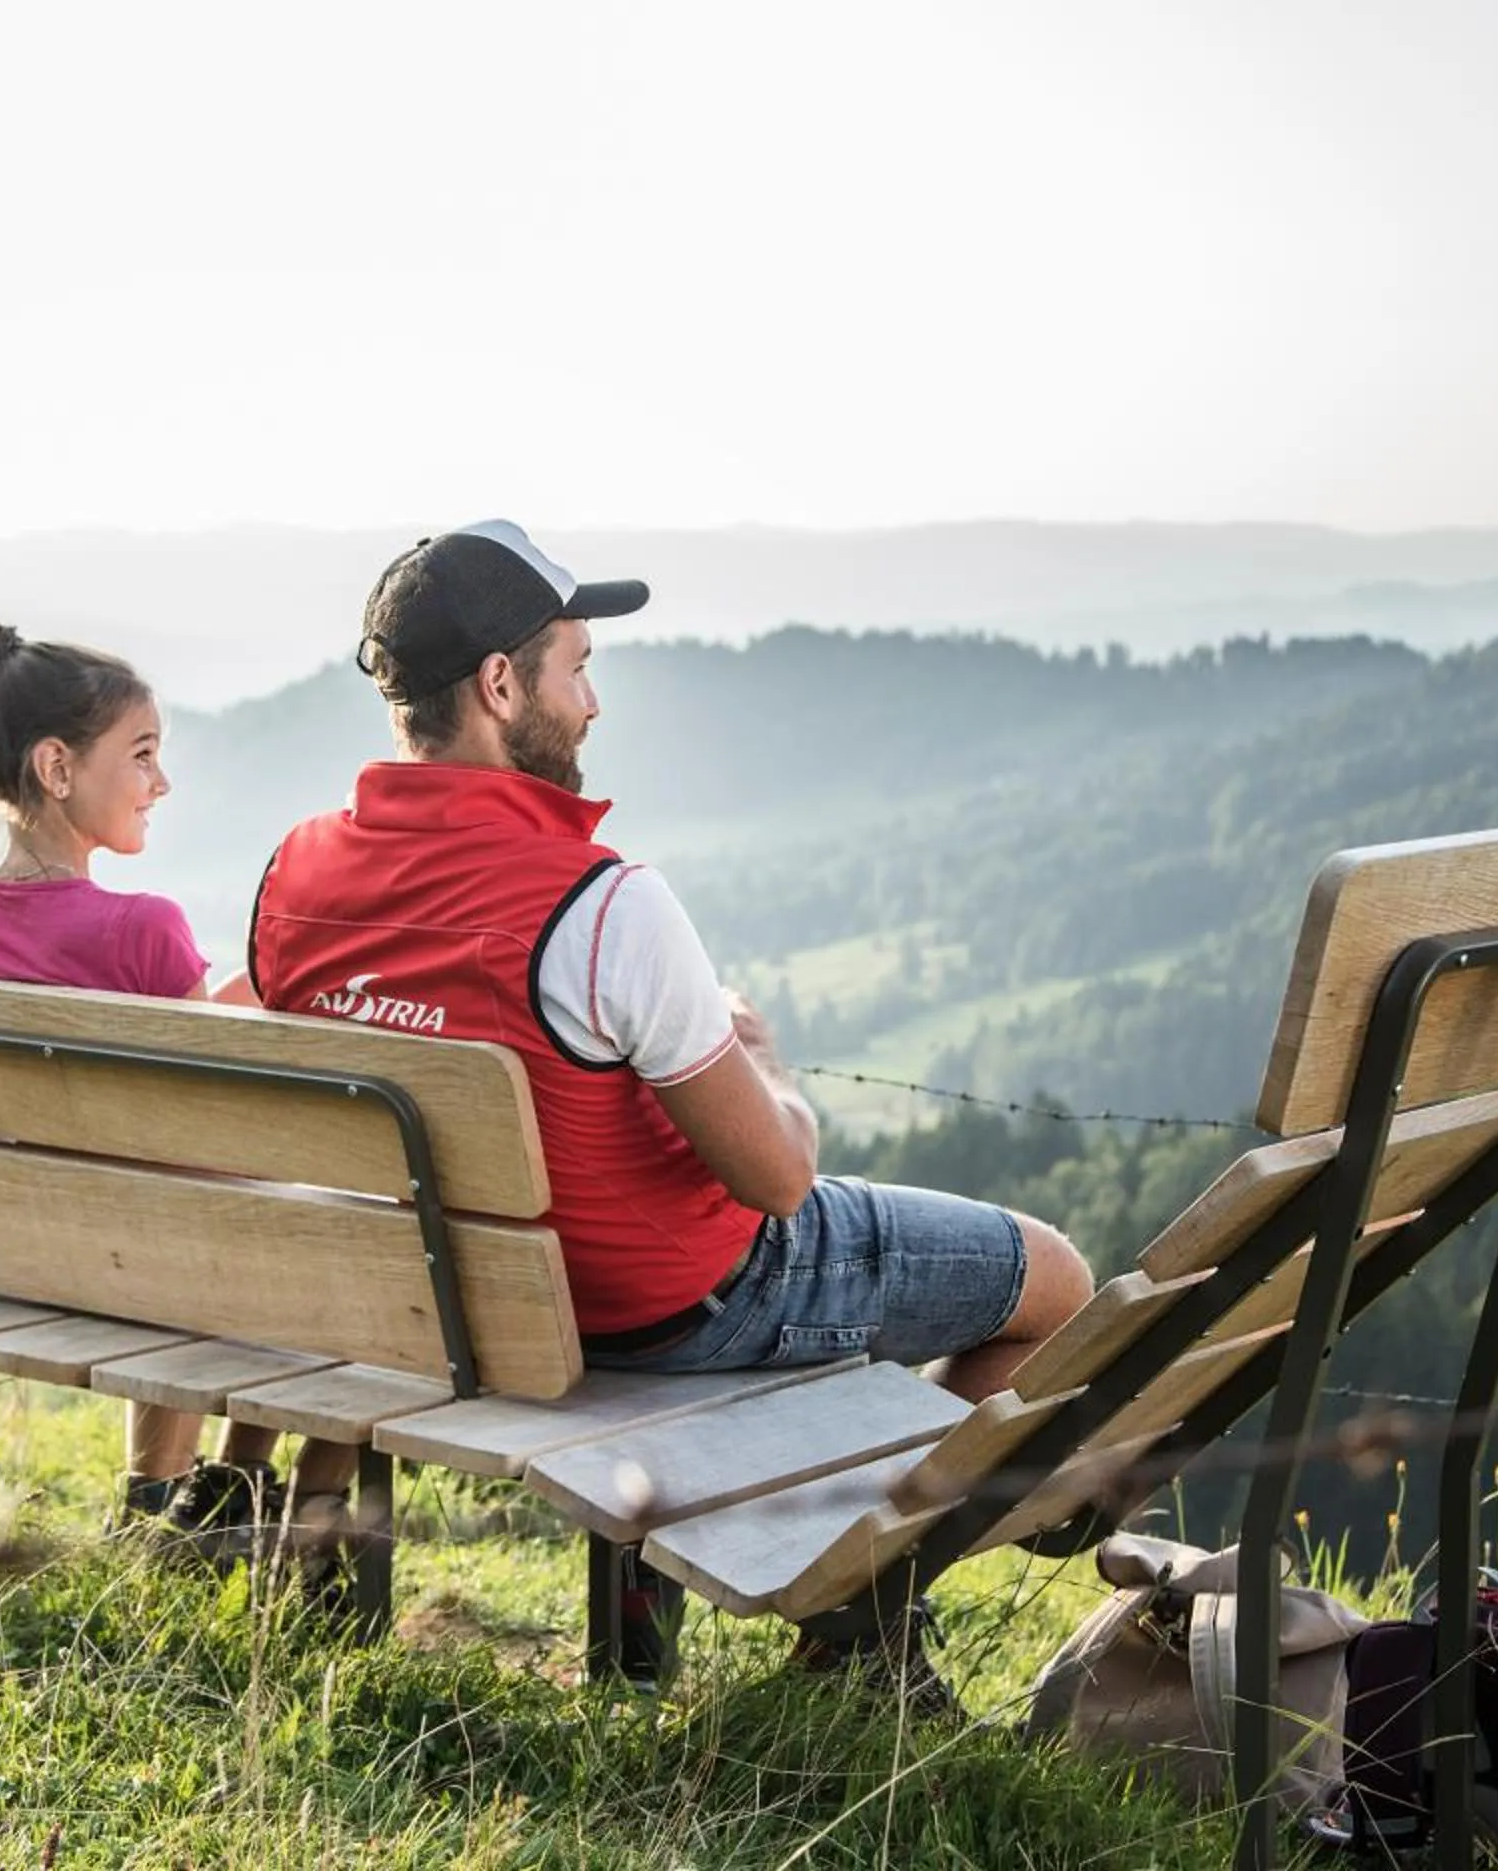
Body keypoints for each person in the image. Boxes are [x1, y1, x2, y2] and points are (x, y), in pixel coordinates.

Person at [247, 519, 1095, 1682]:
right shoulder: (602, 904)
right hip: (679, 1307)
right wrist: (775, 1072)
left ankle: (829, 1594)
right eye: (576, 666)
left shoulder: (292, 874)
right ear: (501, 684)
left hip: (448, 1294)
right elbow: (779, 1182)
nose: (592, 703)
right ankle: (859, 1614)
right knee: (1056, 1282)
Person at [0, 614, 358, 1568]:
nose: (160, 783)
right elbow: (215, 1107)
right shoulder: (144, 928)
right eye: (142, 755)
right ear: (55, 767)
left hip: (33, 1240)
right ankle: (222, 1499)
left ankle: (153, 1507)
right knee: (255, 1217)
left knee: (163, 1211)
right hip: (154, 1249)